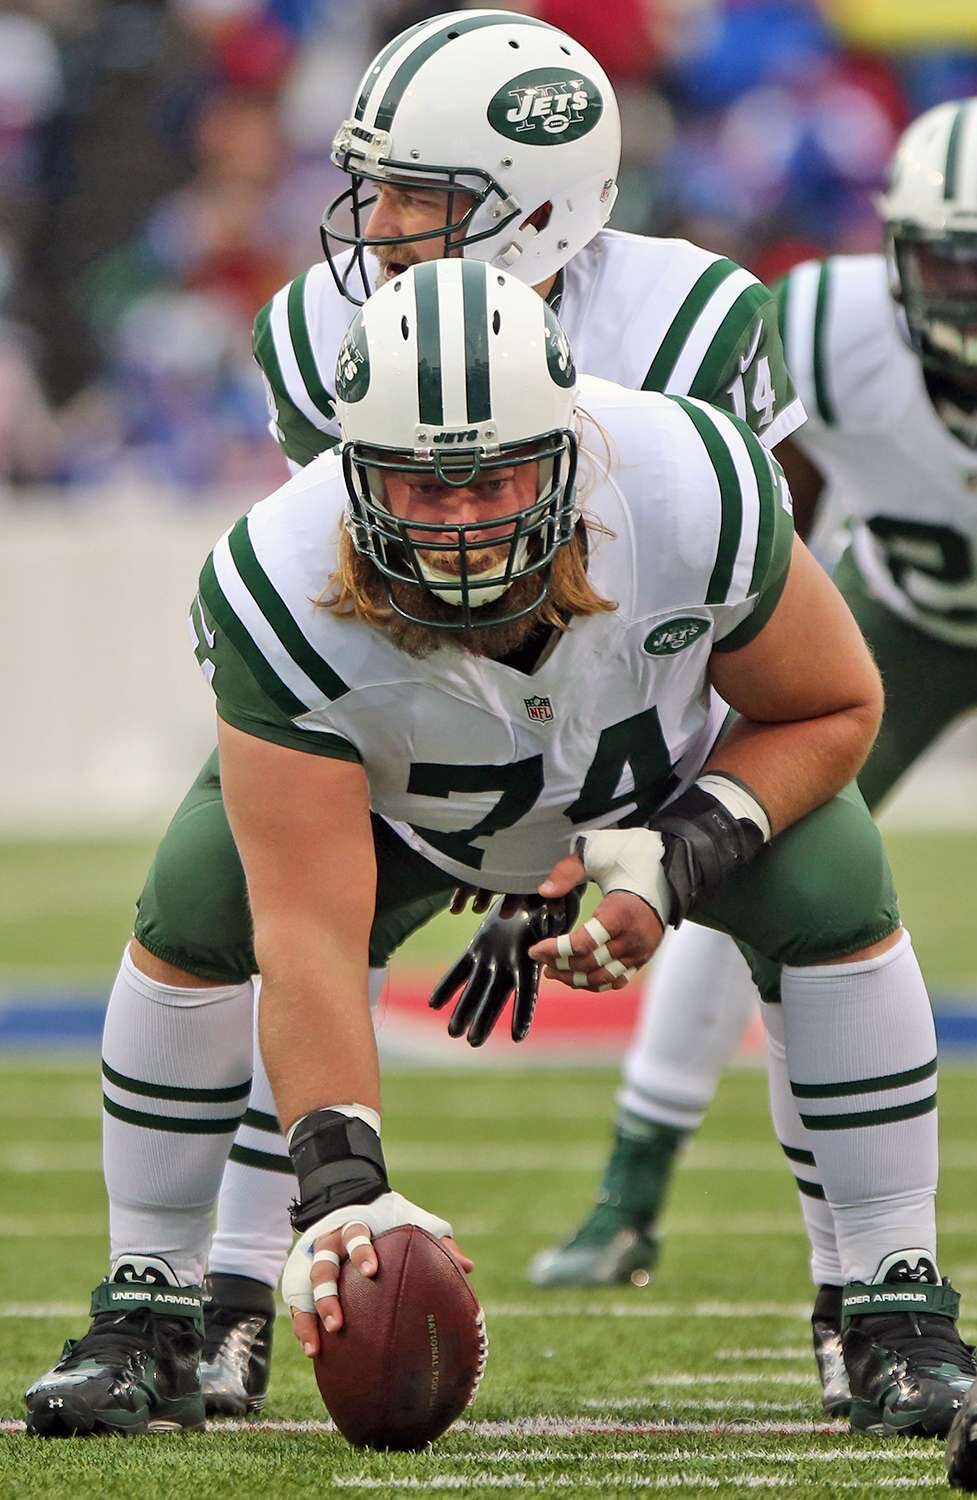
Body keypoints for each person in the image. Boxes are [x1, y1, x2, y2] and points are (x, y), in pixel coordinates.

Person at [25, 261, 977, 1442]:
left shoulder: (688, 482)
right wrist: (341, 1191)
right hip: (401, 814)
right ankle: (155, 1309)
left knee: (832, 879)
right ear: (350, 469)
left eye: (500, 473)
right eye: (422, 488)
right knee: (200, 895)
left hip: (663, 787)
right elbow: (310, 931)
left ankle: (889, 1304)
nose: (466, 517)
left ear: (572, 446)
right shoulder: (278, 579)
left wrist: (677, 855)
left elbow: (833, 705)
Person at [116, 9, 808, 1417]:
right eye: (369, 188)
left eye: (418, 195)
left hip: (647, 713)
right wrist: (474, 811)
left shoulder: (684, 330)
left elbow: (773, 611)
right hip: (410, 717)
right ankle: (204, 1299)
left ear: (543, 203)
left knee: (833, 877)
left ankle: (882, 1290)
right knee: (228, 907)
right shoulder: (321, 337)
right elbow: (358, 581)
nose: (374, 225)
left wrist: (617, 828)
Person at [527, 93, 977, 1421]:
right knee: (742, 857)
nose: (968, 289)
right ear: (894, 249)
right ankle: (632, 1188)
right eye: (948, 255)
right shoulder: (819, 328)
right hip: (890, 631)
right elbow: (750, 509)